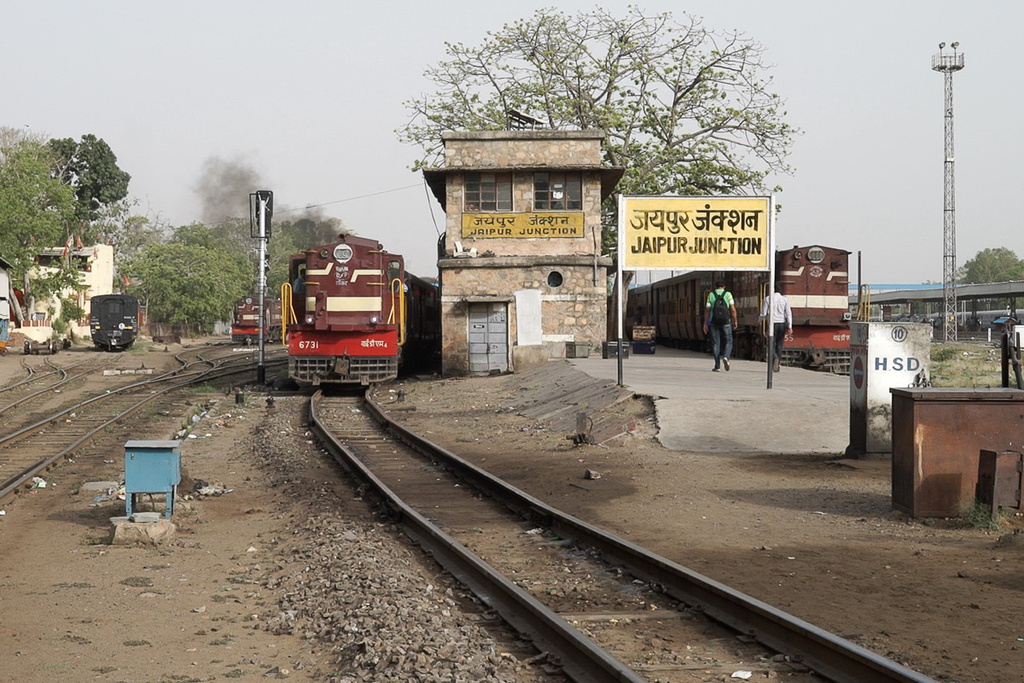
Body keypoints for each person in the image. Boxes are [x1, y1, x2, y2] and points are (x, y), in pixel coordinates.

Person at [702, 281, 738, 372]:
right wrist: (735, 320)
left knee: (715, 343)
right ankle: (726, 357)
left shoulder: (711, 295)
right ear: (724, 286)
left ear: (716, 287)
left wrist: (705, 323)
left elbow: (707, 309)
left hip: (714, 321)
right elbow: (733, 309)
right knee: (729, 341)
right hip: (726, 321)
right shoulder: (728, 294)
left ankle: (717, 366)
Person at [758, 286, 793, 373]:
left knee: (770, 343)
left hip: (772, 324)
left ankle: (775, 358)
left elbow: (763, 313)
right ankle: (778, 362)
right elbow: (788, 314)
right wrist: (790, 326)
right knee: (779, 344)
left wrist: (759, 321)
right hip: (782, 324)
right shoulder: (785, 300)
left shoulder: (768, 299)